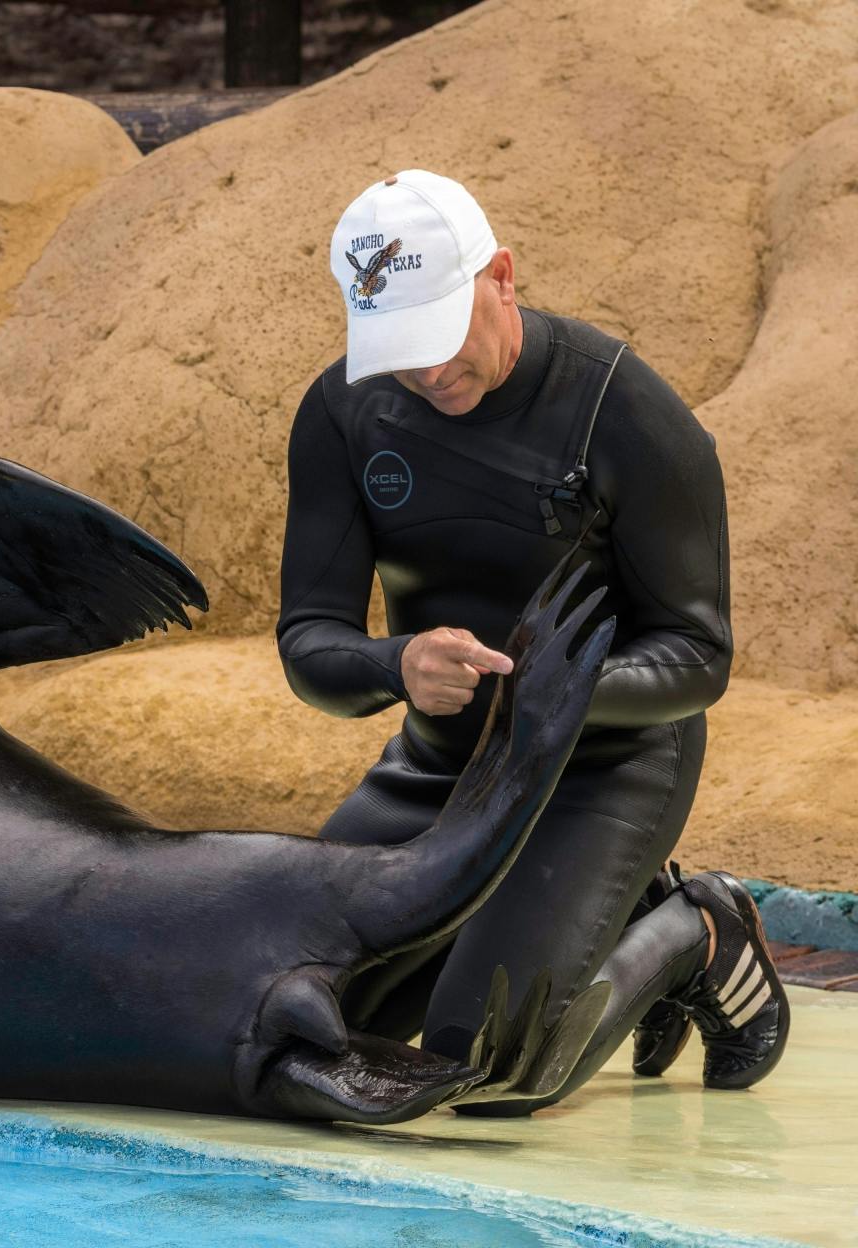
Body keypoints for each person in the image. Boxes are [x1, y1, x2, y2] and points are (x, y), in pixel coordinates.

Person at [275, 169, 788, 1112]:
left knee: (491, 1069)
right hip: (441, 770)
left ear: (501, 276)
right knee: (292, 1016)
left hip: (607, 765)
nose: (427, 373)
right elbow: (310, 644)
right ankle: (604, 914)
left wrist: (560, 693)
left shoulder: (623, 412)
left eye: (439, 336)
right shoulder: (346, 413)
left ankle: (696, 933)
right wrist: (397, 665)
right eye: (398, 350)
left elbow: (698, 654)